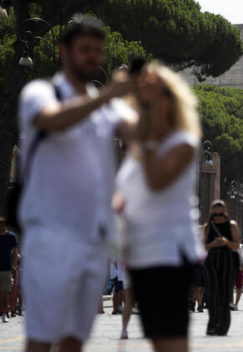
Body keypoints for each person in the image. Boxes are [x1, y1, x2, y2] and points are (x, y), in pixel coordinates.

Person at [17, 14, 135, 352]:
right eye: (84, 49)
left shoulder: (107, 110)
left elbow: (141, 135)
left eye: (97, 51)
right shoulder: (41, 92)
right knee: (41, 338)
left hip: (92, 238)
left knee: (73, 339)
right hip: (49, 234)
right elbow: (50, 120)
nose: (92, 57)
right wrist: (106, 97)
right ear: (63, 52)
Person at [116, 62, 205, 352]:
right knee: (158, 340)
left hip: (169, 253)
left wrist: (146, 135)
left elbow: (155, 182)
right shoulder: (141, 148)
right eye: (141, 99)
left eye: (151, 99)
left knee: (171, 341)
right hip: (141, 253)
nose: (143, 105)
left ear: (168, 102)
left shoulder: (182, 144)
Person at [202, 200, 241, 336]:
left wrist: (226, 242)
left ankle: (223, 325)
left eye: (221, 215)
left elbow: (236, 245)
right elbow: (203, 247)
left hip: (227, 260)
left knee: (224, 294)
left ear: (225, 213)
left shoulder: (232, 225)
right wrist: (213, 243)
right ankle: (212, 323)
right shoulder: (207, 227)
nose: (218, 217)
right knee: (212, 294)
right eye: (215, 215)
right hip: (212, 260)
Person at [0, 218, 18, 323]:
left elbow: (15, 252)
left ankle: (4, 314)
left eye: (3, 224)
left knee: (6, 292)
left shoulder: (11, 237)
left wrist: (14, 266)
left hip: (6, 268)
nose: (1, 226)